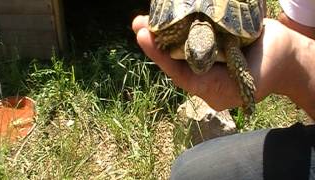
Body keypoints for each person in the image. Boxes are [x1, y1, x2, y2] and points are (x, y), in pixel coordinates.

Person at [132, 0, 315, 179]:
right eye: (194, 55)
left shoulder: (229, 41)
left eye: (208, 55)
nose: (200, 63)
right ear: (187, 45)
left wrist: (292, 63)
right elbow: (299, 27)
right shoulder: (185, 29)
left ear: (213, 48)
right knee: (189, 172)